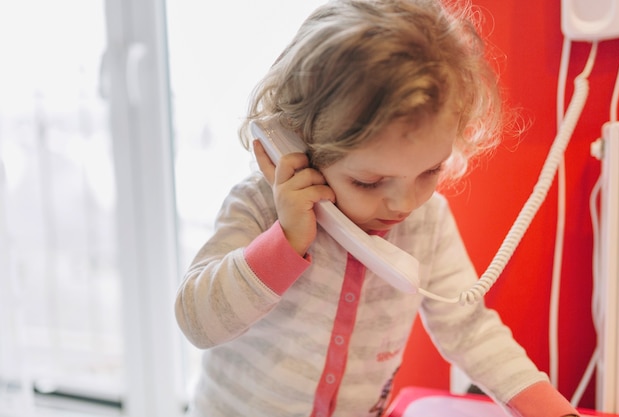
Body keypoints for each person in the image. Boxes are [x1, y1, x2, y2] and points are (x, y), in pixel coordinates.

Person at [174, 0, 580, 416]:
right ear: (297, 141)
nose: (403, 203)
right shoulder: (259, 206)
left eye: (430, 171)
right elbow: (197, 321)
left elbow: (469, 329)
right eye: (368, 182)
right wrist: (285, 243)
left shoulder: (429, 222)